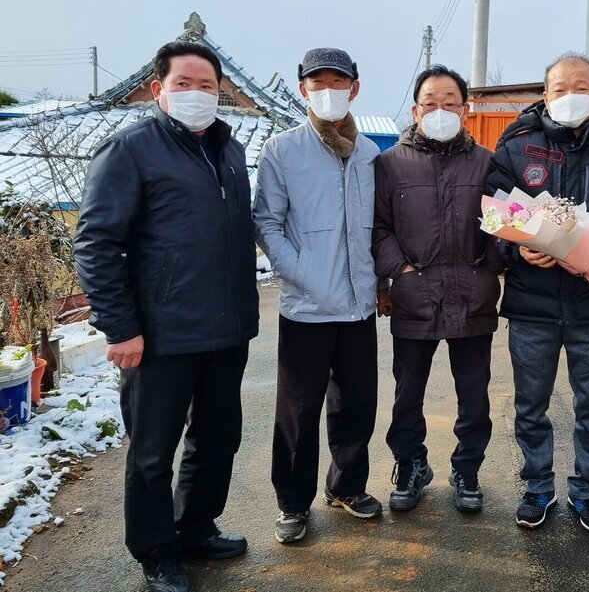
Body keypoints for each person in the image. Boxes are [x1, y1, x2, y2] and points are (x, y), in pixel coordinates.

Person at [74, 41, 259, 592]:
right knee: (153, 450)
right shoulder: (129, 148)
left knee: (218, 436)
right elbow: (96, 242)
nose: (197, 95)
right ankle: (156, 550)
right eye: (184, 84)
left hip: (225, 328)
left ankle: (195, 526)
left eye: (208, 87)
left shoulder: (228, 149)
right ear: (158, 90)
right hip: (159, 334)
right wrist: (121, 326)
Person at [485, 52, 589, 533]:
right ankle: (537, 487)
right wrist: (516, 252)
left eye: (580, 86)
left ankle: (586, 492)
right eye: (559, 88)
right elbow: (495, 210)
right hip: (532, 302)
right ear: (545, 94)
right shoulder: (518, 145)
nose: (569, 96)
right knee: (530, 405)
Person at [253, 48, 388, 545]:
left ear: (355, 88)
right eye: (317, 82)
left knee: (356, 403)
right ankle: (292, 502)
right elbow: (266, 221)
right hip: (307, 306)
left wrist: (381, 282)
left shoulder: (372, 153)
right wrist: (301, 272)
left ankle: (347, 487)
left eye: (338, 81)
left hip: (358, 305)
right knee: (299, 409)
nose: (327, 89)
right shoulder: (282, 149)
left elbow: (380, 227)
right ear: (302, 88)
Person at [373, 65, 503, 514]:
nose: (441, 110)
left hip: (474, 296)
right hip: (414, 297)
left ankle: (468, 469)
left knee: (474, 393)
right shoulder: (389, 164)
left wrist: (491, 265)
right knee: (407, 393)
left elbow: (504, 224)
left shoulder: (487, 162)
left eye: (451, 102)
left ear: (465, 109)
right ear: (415, 109)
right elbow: (378, 227)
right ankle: (410, 464)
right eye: (431, 102)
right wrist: (399, 271)